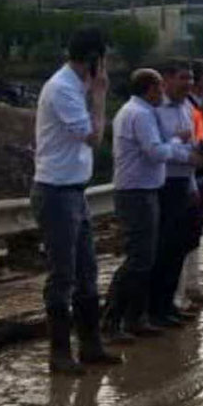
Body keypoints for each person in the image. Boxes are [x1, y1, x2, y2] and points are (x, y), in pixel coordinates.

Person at [30, 27, 120, 374]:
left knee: (87, 272)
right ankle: (59, 353)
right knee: (63, 275)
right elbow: (94, 136)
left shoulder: (74, 85)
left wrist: (93, 89)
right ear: (94, 60)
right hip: (55, 193)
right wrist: (100, 96)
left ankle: (91, 346)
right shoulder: (63, 89)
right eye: (104, 59)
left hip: (74, 191)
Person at [103, 69, 203, 342]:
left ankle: (138, 317)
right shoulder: (142, 114)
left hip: (148, 188)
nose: (163, 91)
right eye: (160, 87)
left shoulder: (146, 111)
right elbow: (156, 151)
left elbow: (162, 148)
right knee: (140, 259)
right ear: (150, 89)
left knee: (152, 256)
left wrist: (183, 152)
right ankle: (113, 320)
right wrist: (180, 147)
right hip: (138, 191)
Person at [147, 61, 201, 328]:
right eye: (183, 78)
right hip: (162, 184)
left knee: (178, 249)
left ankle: (169, 306)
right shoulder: (155, 110)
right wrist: (186, 153)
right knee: (162, 250)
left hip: (182, 184)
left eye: (191, 78)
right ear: (166, 79)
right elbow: (158, 151)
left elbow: (194, 148)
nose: (188, 83)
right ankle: (153, 308)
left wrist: (192, 184)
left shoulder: (188, 108)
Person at [175, 59, 203, 310]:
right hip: (189, 179)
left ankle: (191, 287)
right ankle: (180, 294)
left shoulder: (195, 108)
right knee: (184, 235)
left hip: (198, 177)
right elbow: (197, 146)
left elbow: (202, 143)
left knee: (193, 234)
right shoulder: (189, 109)